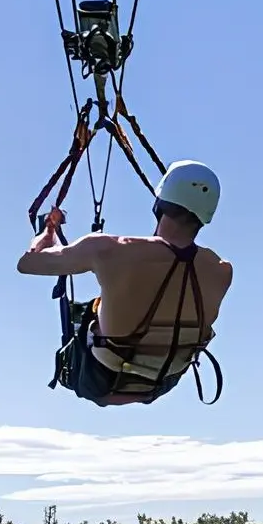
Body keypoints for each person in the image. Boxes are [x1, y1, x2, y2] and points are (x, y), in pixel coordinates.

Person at [18, 162, 232, 406]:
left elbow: (28, 263)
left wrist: (48, 232)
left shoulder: (108, 249)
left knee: (84, 312)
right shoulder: (222, 270)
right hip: (163, 380)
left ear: (159, 203)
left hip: (101, 377)